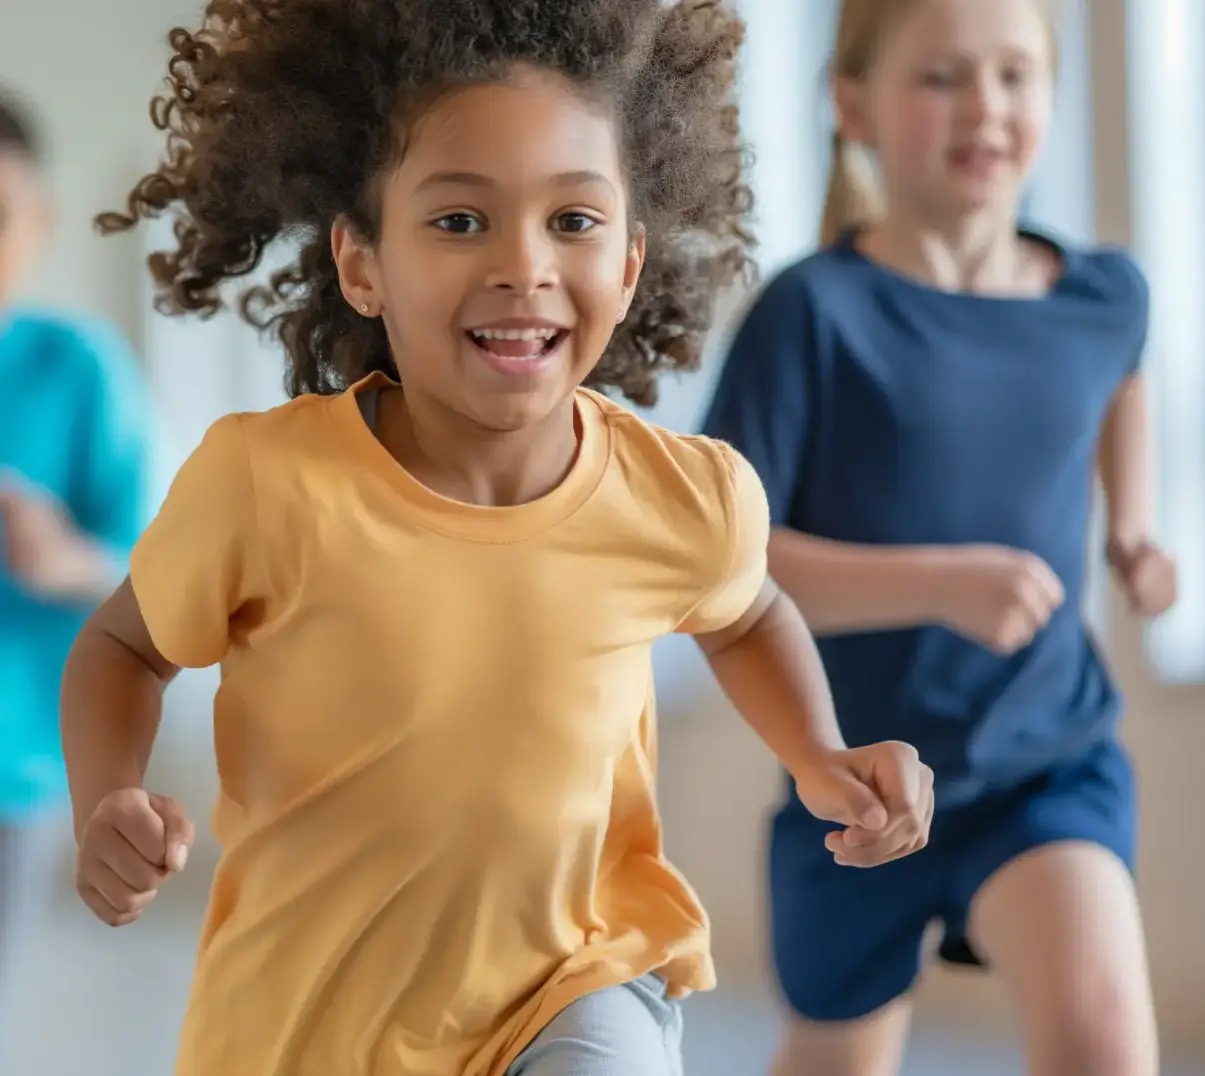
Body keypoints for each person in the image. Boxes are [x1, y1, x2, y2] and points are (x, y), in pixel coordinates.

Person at [58, 3, 936, 1075]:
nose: (524, 264)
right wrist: (107, 793)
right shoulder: (266, 483)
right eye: (459, 221)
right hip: (296, 1022)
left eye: (572, 220)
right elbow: (123, 646)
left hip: (575, 979)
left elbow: (746, 609)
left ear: (627, 262)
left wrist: (816, 751)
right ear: (360, 263)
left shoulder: (683, 496)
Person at [703, 1, 1176, 1074]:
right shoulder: (807, 315)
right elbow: (725, 562)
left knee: (1105, 1038)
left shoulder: (1103, 293)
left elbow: (1118, 380)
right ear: (851, 103)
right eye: (942, 77)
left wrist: (1133, 530)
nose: (985, 106)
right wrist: (939, 581)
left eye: (1014, 74)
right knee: (839, 1055)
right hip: (857, 785)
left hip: (1045, 760)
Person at [0, 91, 149, 1025]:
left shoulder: (79, 368)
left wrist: (59, 558)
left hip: (13, 769)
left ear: (39, 224)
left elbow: (158, 577)